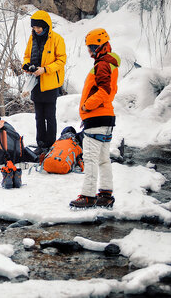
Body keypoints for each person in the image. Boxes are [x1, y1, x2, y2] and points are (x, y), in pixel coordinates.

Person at [70, 28, 120, 209]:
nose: (89, 51)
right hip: (106, 118)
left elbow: (104, 91)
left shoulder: (102, 65)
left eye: (91, 47)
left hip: (96, 117)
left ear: (98, 46)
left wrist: (86, 106)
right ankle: (105, 195)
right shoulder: (109, 63)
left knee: (90, 158)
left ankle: (88, 196)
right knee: (103, 158)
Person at [22, 10, 67, 155]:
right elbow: (27, 56)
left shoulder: (57, 39)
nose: (36, 30)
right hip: (36, 83)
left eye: (39, 27)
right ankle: (40, 144)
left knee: (50, 116)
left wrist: (45, 69)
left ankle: (51, 144)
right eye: (34, 27)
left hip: (50, 84)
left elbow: (61, 61)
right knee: (39, 116)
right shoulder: (32, 38)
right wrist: (27, 66)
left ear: (46, 25)